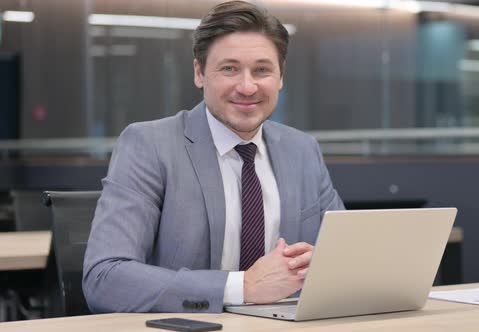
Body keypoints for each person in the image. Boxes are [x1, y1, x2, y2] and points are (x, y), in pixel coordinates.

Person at [82, 0, 344, 313]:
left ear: (281, 76)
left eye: (262, 70)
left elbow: (344, 259)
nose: (247, 87)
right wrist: (242, 287)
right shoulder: (149, 145)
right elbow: (105, 278)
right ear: (199, 73)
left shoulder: (302, 150)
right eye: (229, 69)